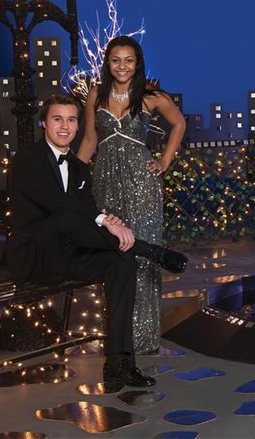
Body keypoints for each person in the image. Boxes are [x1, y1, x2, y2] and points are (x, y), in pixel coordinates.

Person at [7, 92, 187, 388]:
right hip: (35, 258)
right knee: (67, 216)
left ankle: (120, 363)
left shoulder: (78, 167)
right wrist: (104, 221)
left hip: (68, 255)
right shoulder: (27, 158)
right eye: (57, 119)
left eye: (71, 120)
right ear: (44, 124)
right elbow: (60, 207)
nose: (65, 127)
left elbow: (87, 210)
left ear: (78, 126)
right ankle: (149, 250)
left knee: (122, 259)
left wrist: (107, 219)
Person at [77, 35, 185, 354]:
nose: (122, 66)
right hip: (105, 182)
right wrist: (72, 178)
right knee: (115, 253)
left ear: (137, 64)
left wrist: (165, 160)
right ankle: (118, 334)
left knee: (143, 254)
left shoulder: (151, 97)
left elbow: (178, 124)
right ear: (107, 63)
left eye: (129, 60)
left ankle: (143, 338)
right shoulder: (96, 94)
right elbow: (88, 141)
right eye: (116, 60)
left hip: (142, 185)